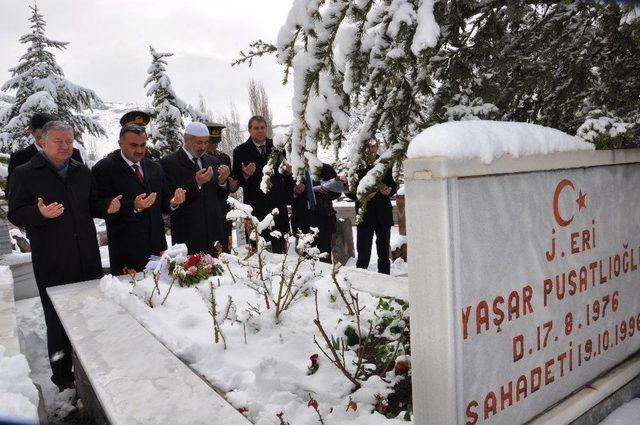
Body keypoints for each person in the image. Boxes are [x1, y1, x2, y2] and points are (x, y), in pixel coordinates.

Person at [7, 121, 121, 391]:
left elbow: (92, 203)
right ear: (43, 143)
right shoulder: (25, 173)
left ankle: (95, 362)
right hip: (53, 260)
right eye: (58, 141)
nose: (65, 146)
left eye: (69, 141)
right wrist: (40, 215)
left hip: (87, 257)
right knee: (57, 319)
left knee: (91, 312)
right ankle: (62, 376)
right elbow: (15, 212)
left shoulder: (82, 172)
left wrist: (108, 206)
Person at [92, 120, 186, 275]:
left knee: (162, 291)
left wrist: (174, 202)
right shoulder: (104, 168)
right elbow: (97, 206)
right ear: (120, 144)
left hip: (157, 246)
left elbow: (164, 202)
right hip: (126, 249)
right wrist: (132, 206)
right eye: (134, 145)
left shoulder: (154, 167)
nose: (139, 150)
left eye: (143, 145)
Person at [159, 122, 230, 256]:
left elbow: (220, 197)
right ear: (186, 140)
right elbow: (168, 200)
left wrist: (222, 182)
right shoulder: (169, 163)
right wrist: (196, 182)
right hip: (188, 234)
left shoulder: (213, 161)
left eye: (205, 142)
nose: (203, 147)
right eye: (199, 142)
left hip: (214, 233)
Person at [232, 116, 292, 253]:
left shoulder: (277, 147)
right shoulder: (240, 151)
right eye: (256, 128)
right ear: (249, 130)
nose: (260, 131)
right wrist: (245, 175)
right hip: (255, 207)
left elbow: (283, 174)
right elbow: (235, 181)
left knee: (280, 253)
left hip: (276, 206)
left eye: (262, 128)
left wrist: (287, 172)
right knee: (257, 253)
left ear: (266, 129)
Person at [6, 113, 83, 197]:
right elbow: (11, 193)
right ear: (32, 132)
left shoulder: (73, 154)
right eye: (41, 137)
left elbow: (85, 186)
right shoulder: (19, 158)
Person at [351, 140, 397, 274]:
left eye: (374, 146)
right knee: (364, 252)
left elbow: (393, 185)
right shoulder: (357, 166)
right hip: (365, 215)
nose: (372, 149)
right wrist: (363, 195)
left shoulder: (384, 164)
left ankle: (385, 279)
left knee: (383, 252)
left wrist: (390, 190)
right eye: (370, 147)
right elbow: (350, 190)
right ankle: (361, 282)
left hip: (383, 215)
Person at [290, 163, 342, 263]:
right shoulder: (294, 170)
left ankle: (327, 278)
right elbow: (286, 196)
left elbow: (337, 192)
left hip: (324, 218)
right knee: (306, 259)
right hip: (303, 219)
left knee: (325, 256)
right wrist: (296, 192)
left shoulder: (325, 169)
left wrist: (327, 190)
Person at [205, 122, 237, 252]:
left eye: (216, 143)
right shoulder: (200, 159)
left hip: (223, 207)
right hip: (207, 206)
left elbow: (230, 184)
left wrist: (233, 186)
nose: (214, 146)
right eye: (211, 143)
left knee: (225, 242)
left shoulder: (224, 158)